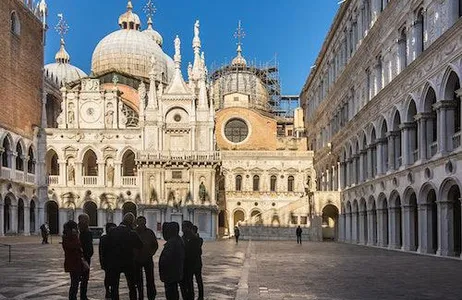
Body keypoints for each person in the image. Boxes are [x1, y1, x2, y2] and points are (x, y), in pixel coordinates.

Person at [107, 213, 143, 300]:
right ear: (131, 222)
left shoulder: (112, 231)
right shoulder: (131, 233)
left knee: (114, 286)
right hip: (128, 262)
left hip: (114, 262)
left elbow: (107, 245)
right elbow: (140, 245)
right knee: (131, 286)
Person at [134, 216, 159, 300]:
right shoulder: (134, 232)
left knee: (150, 279)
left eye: (143, 222)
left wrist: (151, 253)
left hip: (148, 258)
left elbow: (155, 245)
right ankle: (140, 296)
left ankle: (151, 296)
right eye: (140, 222)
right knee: (138, 280)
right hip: (136, 259)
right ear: (137, 223)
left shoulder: (150, 232)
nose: (142, 224)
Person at [159, 222, 185, 300]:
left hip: (171, 274)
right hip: (174, 273)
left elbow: (167, 259)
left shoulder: (172, 243)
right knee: (173, 291)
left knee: (171, 293)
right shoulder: (177, 240)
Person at [62, 220, 85, 300]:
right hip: (73, 263)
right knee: (74, 283)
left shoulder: (69, 237)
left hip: (76, 262)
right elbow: (75, 246)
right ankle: (72, 298)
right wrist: (75, 236)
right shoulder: (67, 238)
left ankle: (73, 297)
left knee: (75, 283)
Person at [180, 221, 202, 300]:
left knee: (195, 281)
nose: (182, 229)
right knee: (189, 282)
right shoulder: (183, 238)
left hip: (193, 263)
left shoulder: (195, 239)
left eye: (184, 227)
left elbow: (198, 251)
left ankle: (198, 296)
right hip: (187, 264)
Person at [78, 214, 93, 300]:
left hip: (80, 256)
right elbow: (88, 246)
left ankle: (81, 295)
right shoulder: (87, 232)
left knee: (79, 278)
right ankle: (83, 296)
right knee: (85, 278)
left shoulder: (78, 230)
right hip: (85, 258)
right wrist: (89, 254)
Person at [100, 222, 117, 300]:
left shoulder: (105, 238)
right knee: (108, 277)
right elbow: (101, 251)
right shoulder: (104, 238)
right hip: (108, 261)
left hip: (112, 261)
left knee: (112, 277)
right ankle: (108, 291)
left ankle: (111, 291)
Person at [192, 225, 204, 300]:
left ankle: (200, 295)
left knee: (198, 280)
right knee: (198, 279)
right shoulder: (198, 239)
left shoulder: (198, 239)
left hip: (195, 263)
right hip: (197, 262)